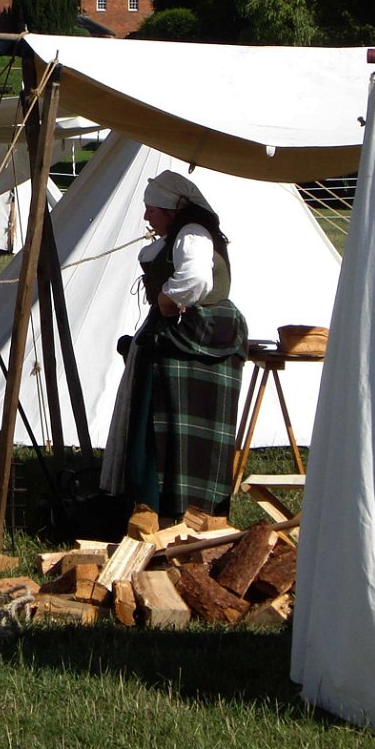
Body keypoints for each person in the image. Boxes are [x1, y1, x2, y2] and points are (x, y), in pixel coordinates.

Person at [100, 169, 248, 522]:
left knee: (171, 423)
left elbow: (196, 278)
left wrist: (168, 297)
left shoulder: (192, 233)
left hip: (193, 339)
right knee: (167, 423)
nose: (147, 215)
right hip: (190, 338)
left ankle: (174, 508)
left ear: (171, 209)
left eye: (152, 209)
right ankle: (160, 508)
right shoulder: (181, 234)